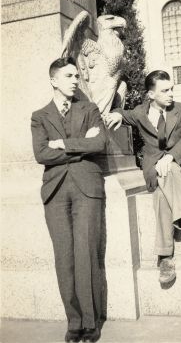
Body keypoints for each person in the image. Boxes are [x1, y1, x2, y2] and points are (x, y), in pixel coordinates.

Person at [103, 70, 181, 284]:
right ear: (151, 95)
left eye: (171, 89)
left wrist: (169, 157)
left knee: (169, 176)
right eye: (165, 90)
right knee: (162, 185)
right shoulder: (141, 113)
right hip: (157, 175)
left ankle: (165, 257)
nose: (171, 94)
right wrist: (116, 114)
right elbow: (121, 112)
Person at [31, 57, 106, 342]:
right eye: (70, 75)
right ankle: (73, 322)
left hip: (87, 188)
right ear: (54, 80)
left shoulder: (89, 109)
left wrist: (62, 144)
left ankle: (91, 322)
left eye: (77, 75)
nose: (76, 79)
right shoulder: (40, 116)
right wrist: (80, 145)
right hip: (55, 192)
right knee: (64, 258)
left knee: (86, 254)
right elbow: (41, 154)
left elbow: (99, 144)